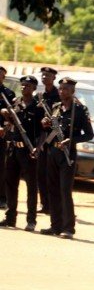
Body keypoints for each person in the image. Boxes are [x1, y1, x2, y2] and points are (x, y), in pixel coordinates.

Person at [40, 77, 94, 239]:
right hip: (53, 153)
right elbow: (49, 127)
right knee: (53, 189)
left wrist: (72, 140)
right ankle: (55, 225)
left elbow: (89, 134)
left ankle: (68, 228)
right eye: (61, 88)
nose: (62, 91)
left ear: (72, 91)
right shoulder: (56, 107)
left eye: (66, 89)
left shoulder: (80, 110)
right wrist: (45, 123)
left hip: (67, 154)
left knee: (65, 191)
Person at [0, 76, 44, 231]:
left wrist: (38, 147)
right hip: (13, 149)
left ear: (34, 88)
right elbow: (10, 124)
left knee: (32, 186)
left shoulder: (38, 107)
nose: (24, 87)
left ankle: (31, 220)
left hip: (28, 150)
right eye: (23, 85)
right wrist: (5, 117)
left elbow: (43, 132)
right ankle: (10, 218)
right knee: (10, 184)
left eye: (28, 85)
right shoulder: (15, 103)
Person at [35, 66, 60, 214]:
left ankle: (54, 204)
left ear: (53, 78)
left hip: (55, 138)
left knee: (53, 175)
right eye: (43, 75)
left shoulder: (59, 94)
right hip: (43, 138)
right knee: (41, 173)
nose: (45, 77)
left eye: (48, 75)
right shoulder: (40, 95)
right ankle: (44, 204)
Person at [0, 65, 16, 209]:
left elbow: (13, 117)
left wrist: (5, 127)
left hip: (2, 135)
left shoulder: (8, 94)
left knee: (1, 167)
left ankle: (2, 198)